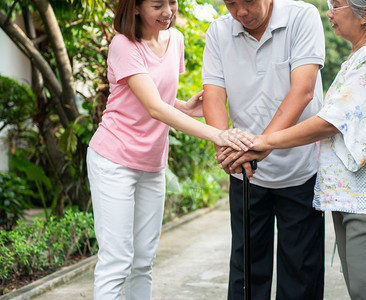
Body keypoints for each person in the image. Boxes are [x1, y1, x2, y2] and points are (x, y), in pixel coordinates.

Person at [236, 0, 366, 298]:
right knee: (363, 290)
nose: (329, 13)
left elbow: (330, 122)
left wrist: (264, 141)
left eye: (336, 5)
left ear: (364, 15)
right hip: (358, 196)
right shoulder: (361, 55)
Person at [86, 0, 253, 299]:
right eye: (156, 5)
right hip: (114, 160)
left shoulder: (175, 39)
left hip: (152, 163)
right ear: (135, 8)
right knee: (117, 261)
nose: (167, 11)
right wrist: (220, 135)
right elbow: (153, 107)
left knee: (143, 261)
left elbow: (157, 96)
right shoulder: (124, 44)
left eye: (172, 2)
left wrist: (185, 107)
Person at [202, 0, 326, 298]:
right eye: (231, 3)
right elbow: (214, 96)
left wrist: (263, 144)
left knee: (300, 275)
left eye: (248, 2)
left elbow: (303, 90)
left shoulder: (302, 16)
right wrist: (225, 144)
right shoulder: (218, 32)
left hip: (301, 170)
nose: (241, 12)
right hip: (244, 170)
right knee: (246, 274)